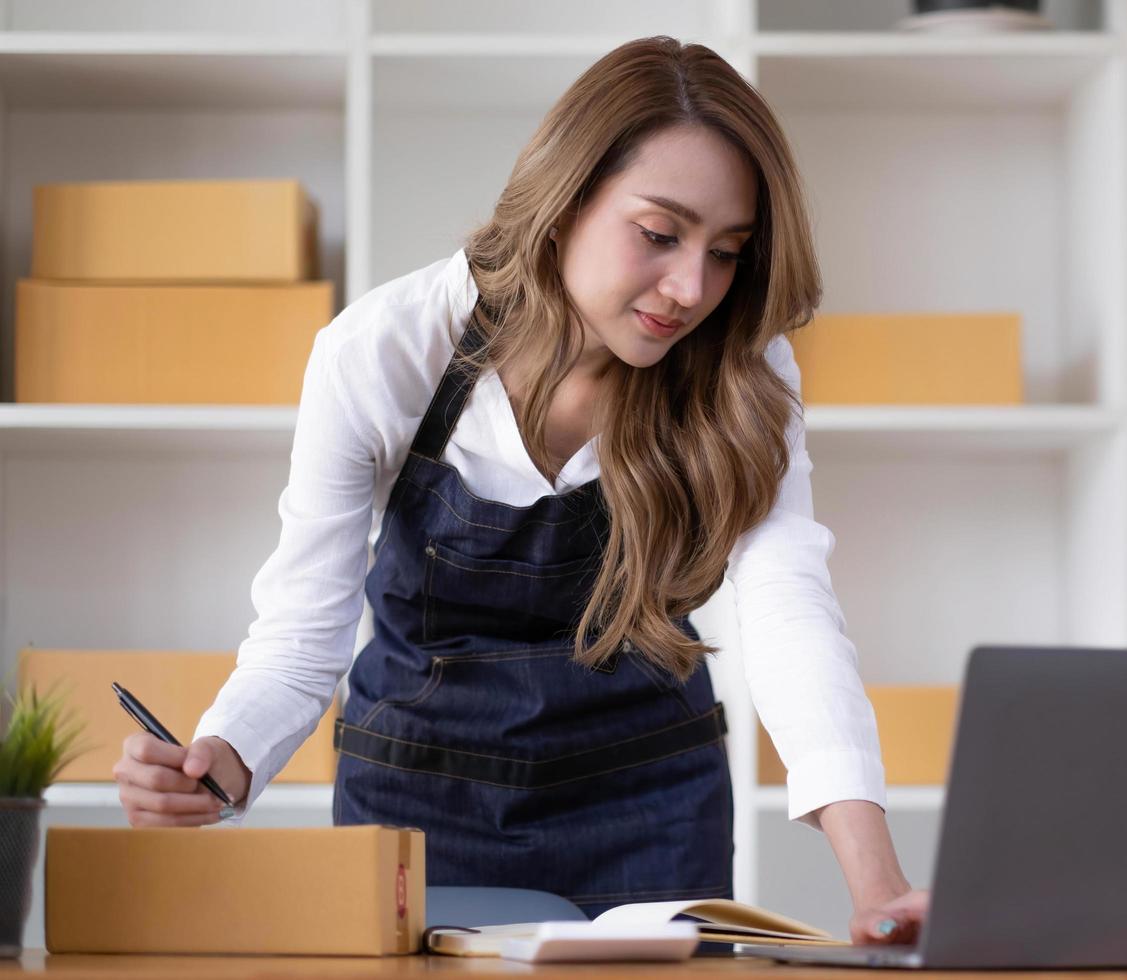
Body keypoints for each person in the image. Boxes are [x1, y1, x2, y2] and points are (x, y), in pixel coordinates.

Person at [111, 35, 927, 945]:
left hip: (650, 800)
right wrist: (217, 760)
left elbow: (791, 613)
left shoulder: (741, 369)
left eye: (728, 252)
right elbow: (304, 638)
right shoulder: (382, 351)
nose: (691, 287)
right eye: (659, 235)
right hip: (420, 806)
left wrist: (877, 884)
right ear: (565, 199)